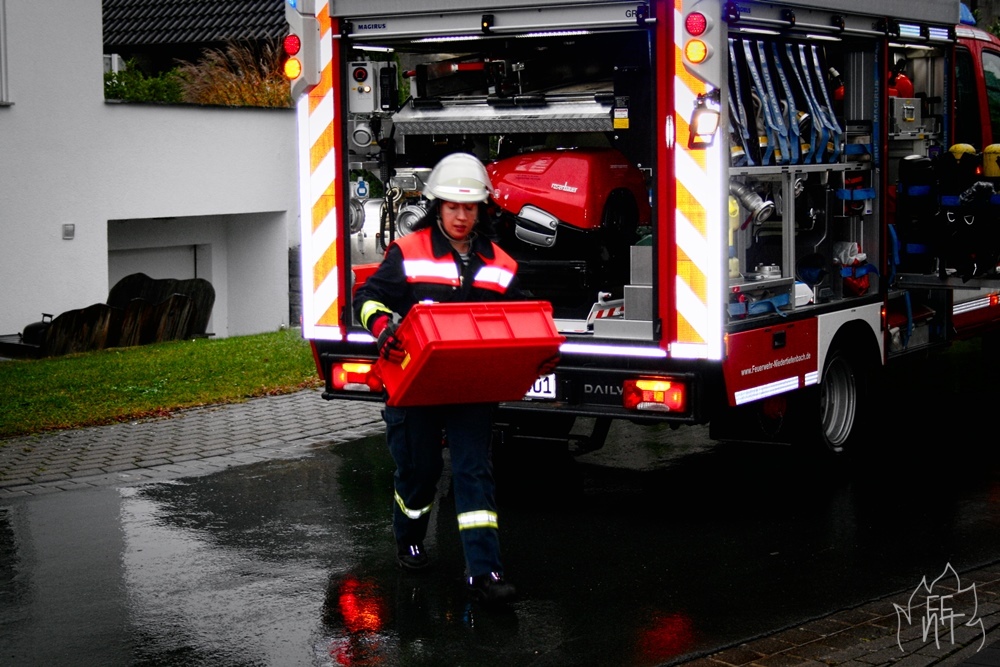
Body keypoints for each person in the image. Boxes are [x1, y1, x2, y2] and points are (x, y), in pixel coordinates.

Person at [353, 152, 529, 606]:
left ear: (481, 209)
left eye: (469, 207)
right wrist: (382, 328)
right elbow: (367, 298)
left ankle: (485, 572)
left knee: (474, 473)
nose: (461, 216)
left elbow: (522, 318)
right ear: (438, 206)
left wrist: (535, 356)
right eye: (453, 206)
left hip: (471, 386)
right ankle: (409, 539)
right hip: (416, 385)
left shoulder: (501, 265)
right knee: (420, 471)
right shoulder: (408, 252)